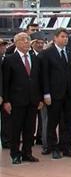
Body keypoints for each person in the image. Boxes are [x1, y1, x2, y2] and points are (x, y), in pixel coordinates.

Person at [39, 28, 71, 159]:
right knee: (53, 122)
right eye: (62, 36)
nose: (65, 39)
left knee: (68, 121)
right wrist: (46, 94)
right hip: (54, 93)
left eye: (66, 37)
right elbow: (44, 75)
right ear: (55, 38)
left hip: (70, 93)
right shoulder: (47, 53)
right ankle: (53, 147)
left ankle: (66, 146)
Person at [2, 32, 43, 164]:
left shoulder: (34, 58)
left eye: (28, 40)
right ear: (16, 43)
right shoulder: (9, 59)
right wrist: (6, 101)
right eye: (23, 40)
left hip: (32, 100)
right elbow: (5, 82)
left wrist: (40, 98)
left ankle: (27, 153)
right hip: (16, 101)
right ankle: (15, 154)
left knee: (29, 128)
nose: (26, 42)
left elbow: (39, 80)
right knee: (15, 129)